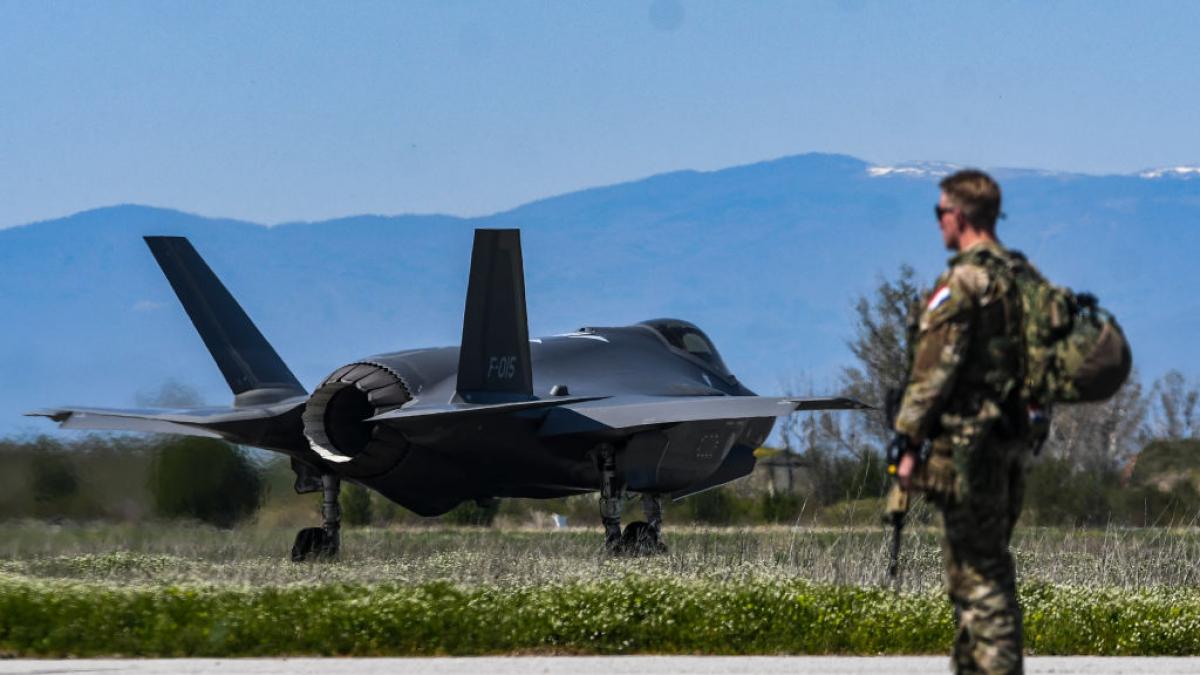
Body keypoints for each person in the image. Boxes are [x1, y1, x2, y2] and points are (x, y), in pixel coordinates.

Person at [893, 169, 1029, 675]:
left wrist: (908, 442)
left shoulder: (965, 282)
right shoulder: (1020, 275)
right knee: (980, 574)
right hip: (1013, 443)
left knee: (980, 579)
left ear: (962, 216)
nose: (938, 224)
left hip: (969, 449)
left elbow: (935, 371)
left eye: (941, 212)